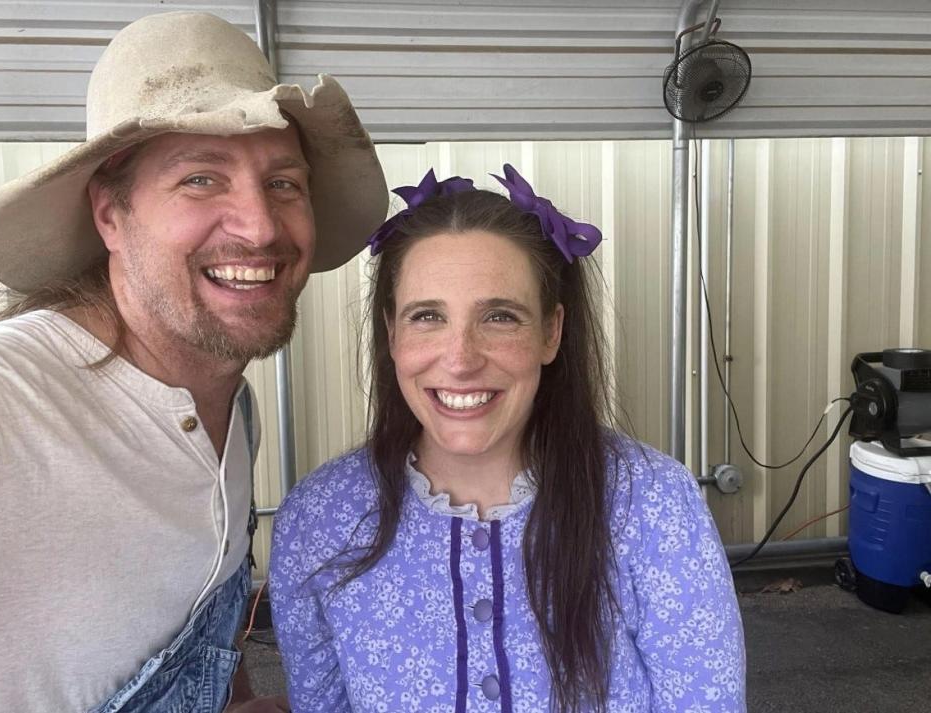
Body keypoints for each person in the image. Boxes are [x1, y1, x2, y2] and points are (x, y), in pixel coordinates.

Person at [0, 11, 386, 713]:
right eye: (201, 179)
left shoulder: (229, 407)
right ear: (110, 212)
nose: (258, 226)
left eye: (284, 182)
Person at [269, 165, 746, 712]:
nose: (460, 359)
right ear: (391, 334)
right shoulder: (321, 518)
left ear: (551, 332)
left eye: (499, 316)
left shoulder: (653, 502)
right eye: (427, 316)